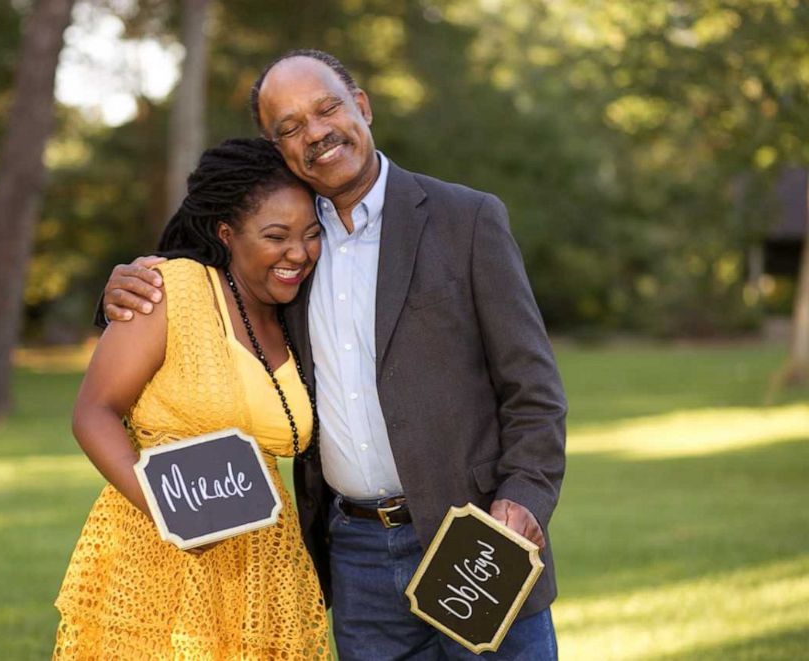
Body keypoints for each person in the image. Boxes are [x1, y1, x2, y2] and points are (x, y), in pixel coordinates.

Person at [101, 50, 567, 660]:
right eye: (289, 127)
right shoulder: (287, 254)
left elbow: (533, 389)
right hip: (354, 556)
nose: (315, 132)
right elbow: (192, 293)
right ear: (277, 149)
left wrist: (524, 498)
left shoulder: (467, 219)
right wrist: (119, 288)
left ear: (362, 107)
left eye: (327, 109)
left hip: (476, 540)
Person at [55, 138, 331, 660]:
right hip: (161, 551)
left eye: (311, 235)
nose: (298, 253)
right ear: (226, 234)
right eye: (276, 236)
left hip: (264, 566)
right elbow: (94, 412)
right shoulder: (169, 289)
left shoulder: (301, 309)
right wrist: (170, 513)